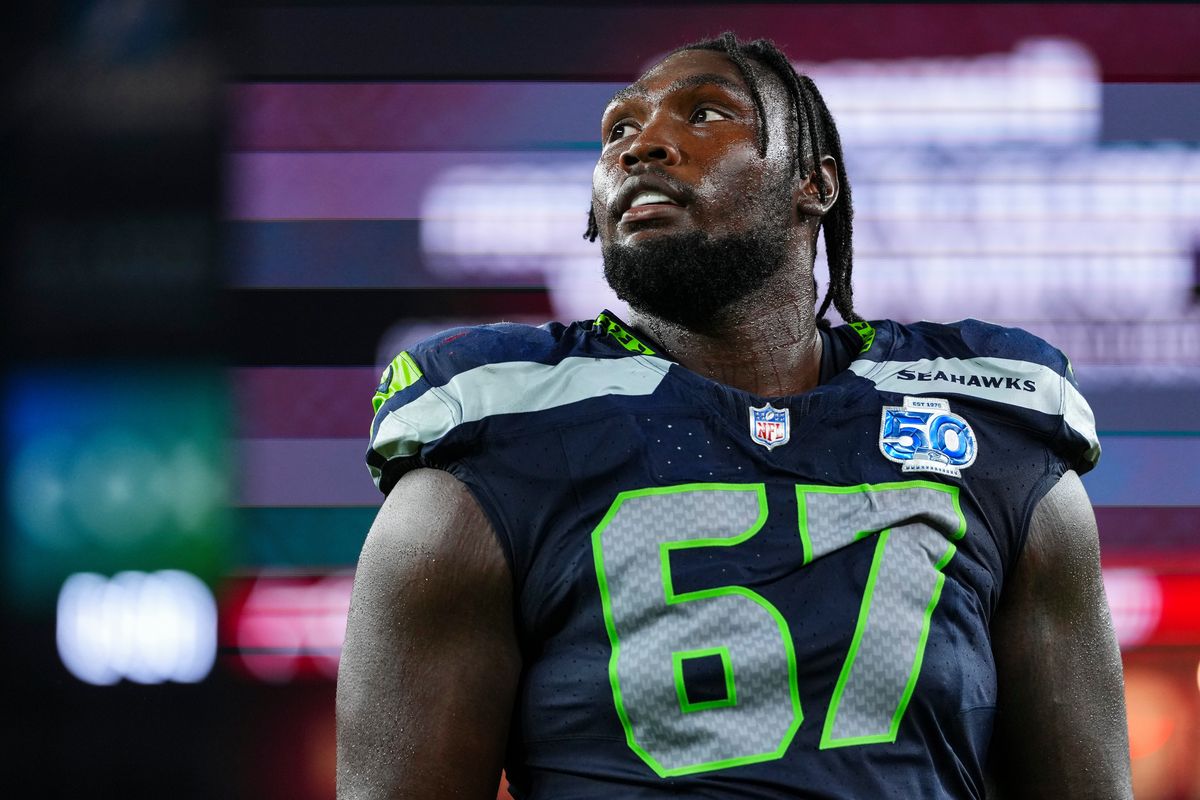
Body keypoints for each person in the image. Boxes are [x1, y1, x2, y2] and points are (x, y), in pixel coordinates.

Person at [336, 32, 1133, 799]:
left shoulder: (993, 427)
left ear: (814, 183)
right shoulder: (495, 439)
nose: (641, 147)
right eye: (619, 130)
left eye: (705, 113)